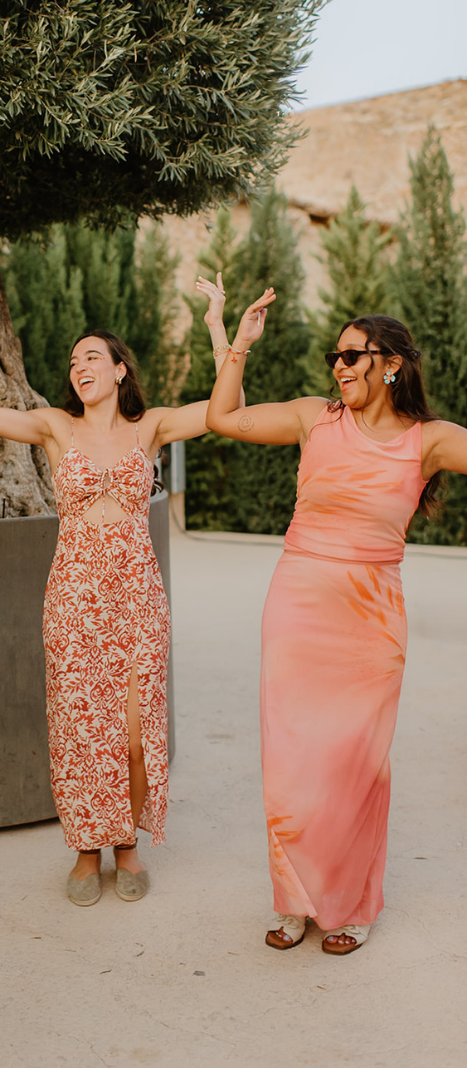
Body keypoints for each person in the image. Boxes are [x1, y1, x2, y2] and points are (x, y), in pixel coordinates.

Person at [0, 278, 264, 905]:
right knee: (78, 727)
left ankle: (126, 842)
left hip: (137, 595)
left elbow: (219, 412)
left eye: (91, 356)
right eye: (73, 362)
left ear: (120, 369)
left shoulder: (149, 426)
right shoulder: (53, 426)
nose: (78, 367)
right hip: (73, 594)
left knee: (131, 729)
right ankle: (85, 849)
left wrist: (219, 329)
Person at [205, 311, 467, 955]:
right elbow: (222, 418)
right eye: (336, 357)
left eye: (353, 356)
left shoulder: (427, 439)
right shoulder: (313, 417)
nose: (340, 367)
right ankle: (293, 900)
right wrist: (236, 342)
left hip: (372, 617)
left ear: (392, 363)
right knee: (292, 762)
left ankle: (350, 905)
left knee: (355, 765)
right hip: (298, 604)